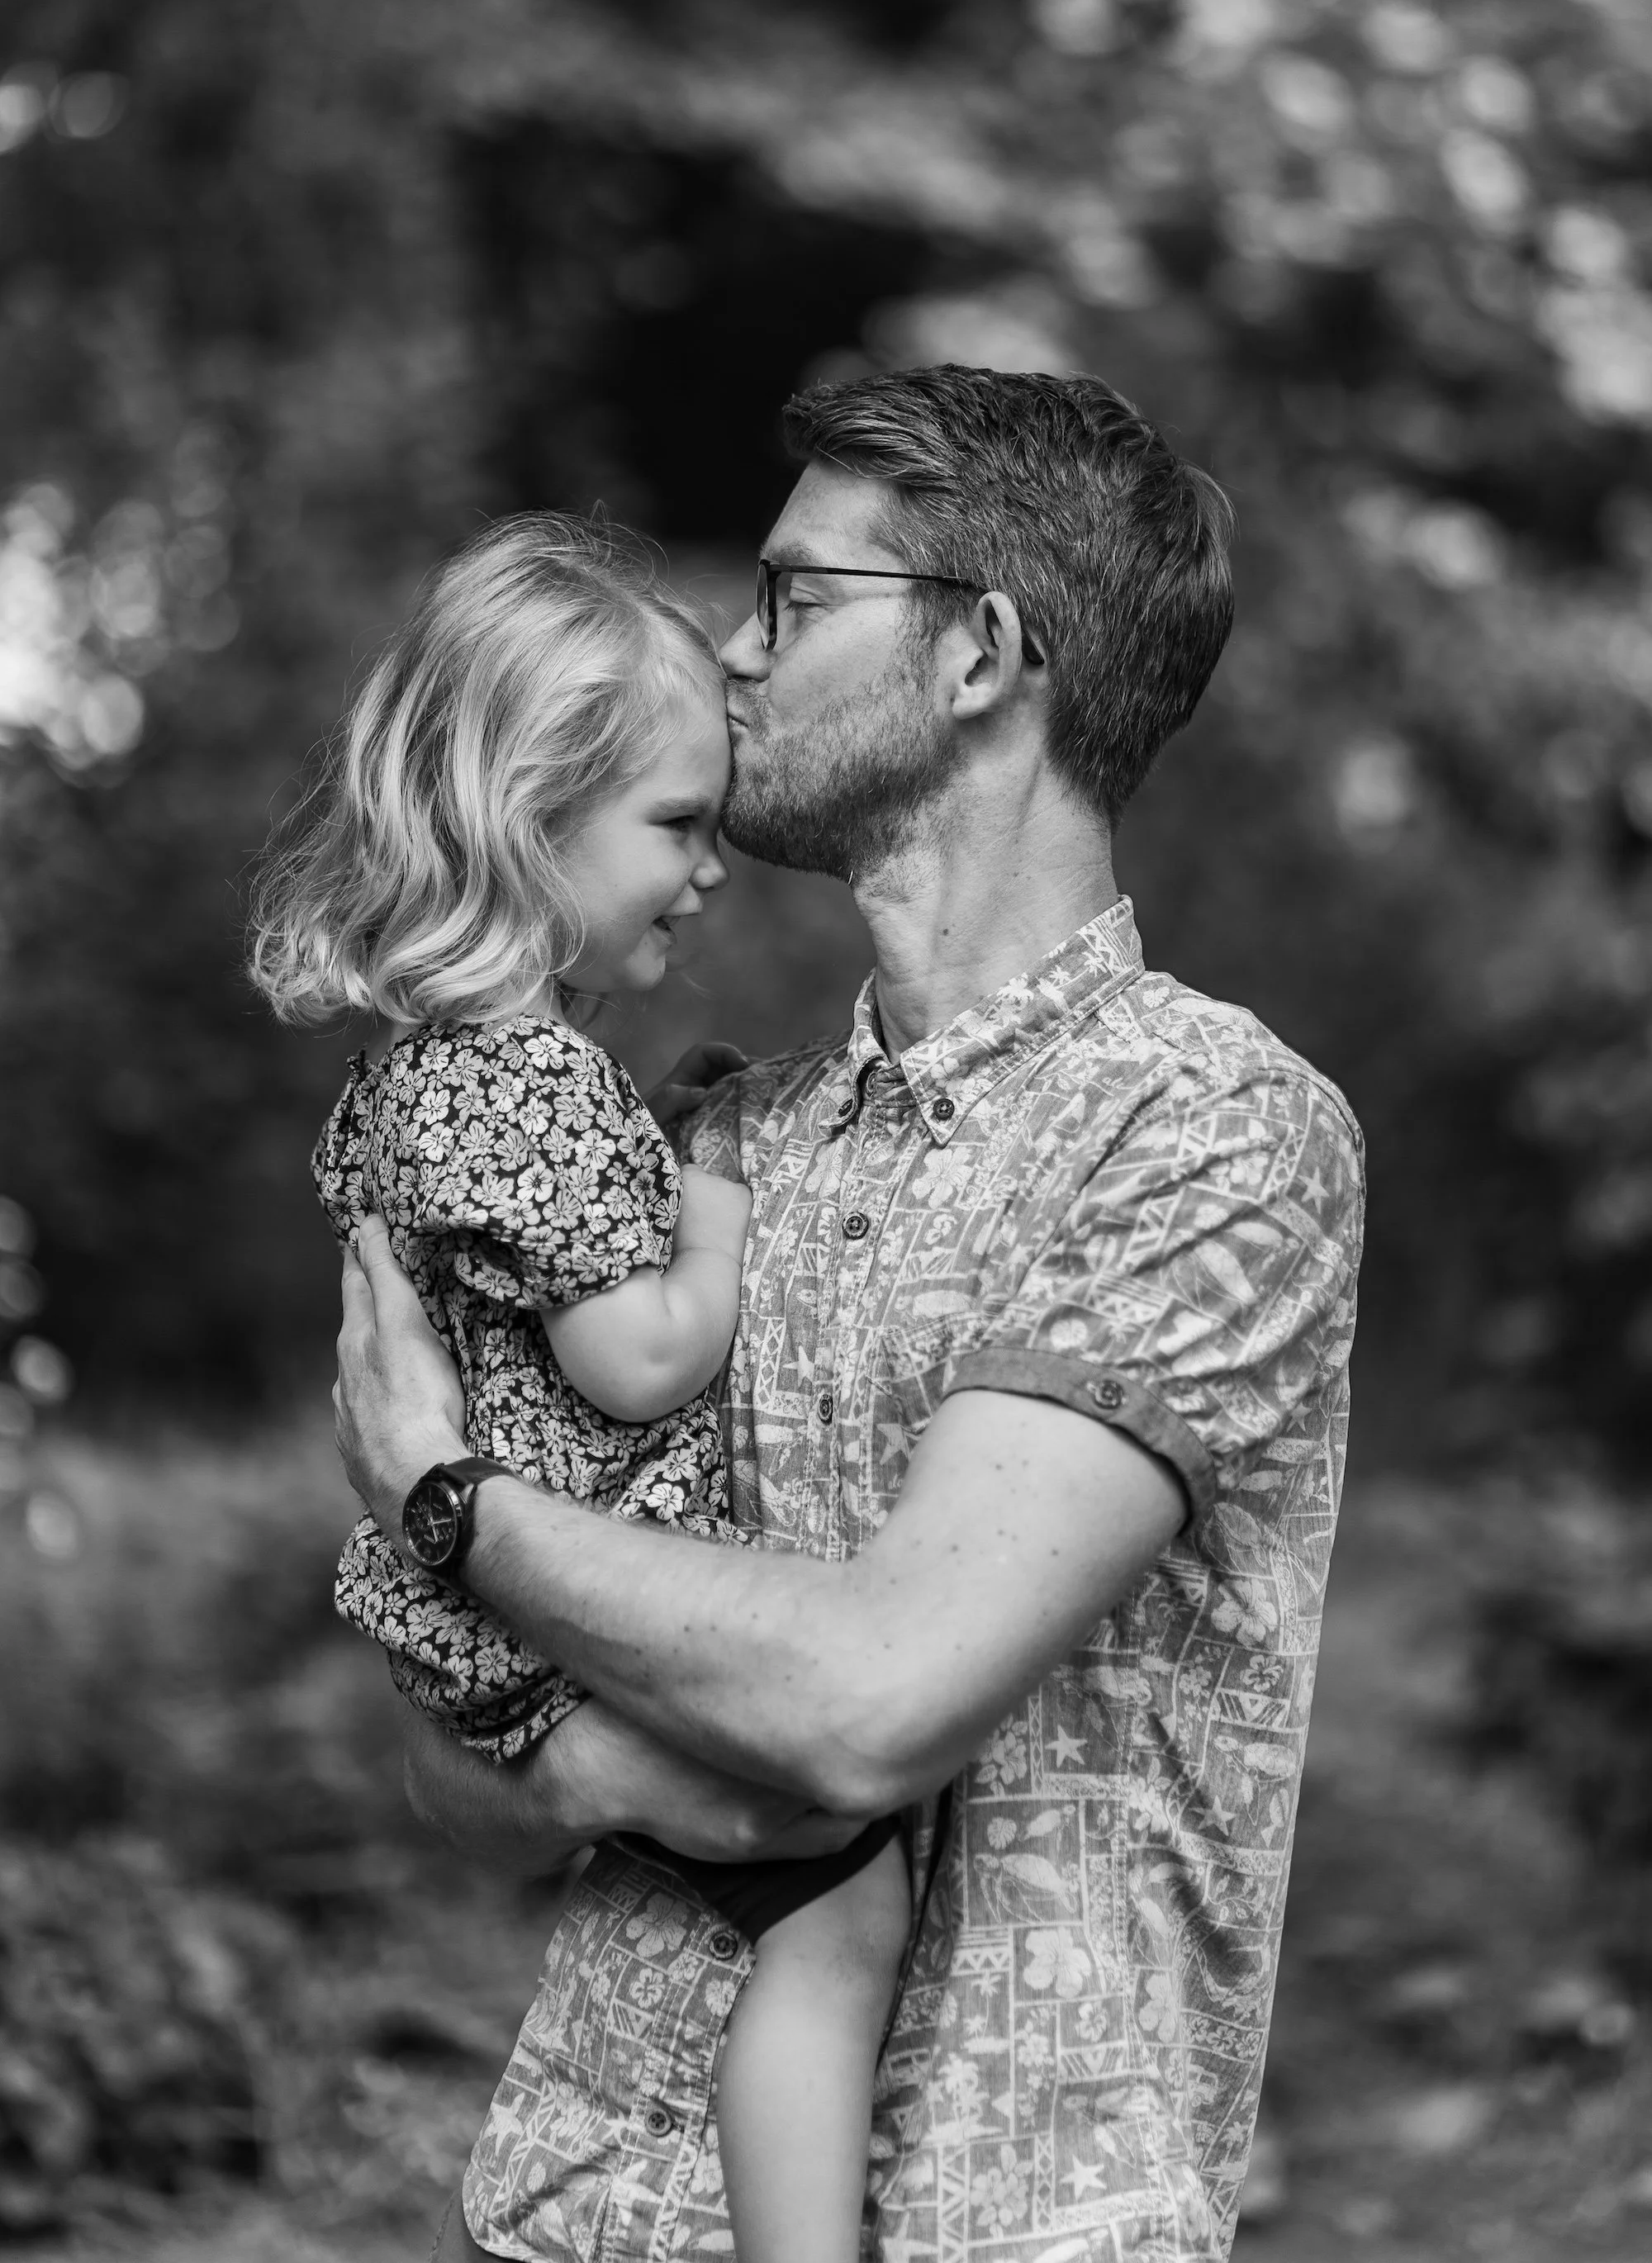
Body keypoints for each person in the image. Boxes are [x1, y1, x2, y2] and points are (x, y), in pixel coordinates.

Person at [334, 365, 1366, 2263]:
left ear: (980, 652)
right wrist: (582, 1760)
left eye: (796, 599)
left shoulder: (1205, 1130)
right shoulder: (695, 1146)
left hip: (1007, 2223)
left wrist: (450, 1500)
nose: (734, 653)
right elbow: (446, 1748)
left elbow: (872, 1702)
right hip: (581, 2209)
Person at [248, 515, 912, 2263]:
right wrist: (719, 1206)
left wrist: (651, 1148)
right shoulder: (532, 1081)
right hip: (555, 1595)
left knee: (785, 1888)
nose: (711, 871)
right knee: (840, 1911)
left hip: (475, 1619)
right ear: (531, 820)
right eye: (676, 826)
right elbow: (637, 1363)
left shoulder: (431, 1070)